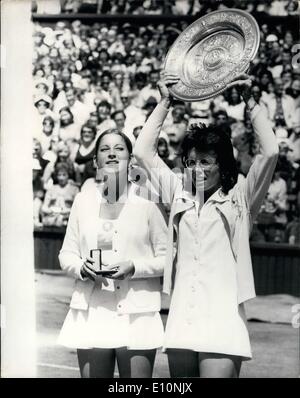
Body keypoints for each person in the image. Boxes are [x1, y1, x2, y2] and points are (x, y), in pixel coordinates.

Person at [134, 72, 279, 378]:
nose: (196, 169)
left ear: (222, 164)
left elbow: (270, 151)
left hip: (223, 318)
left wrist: (251, 103)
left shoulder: (241, 199)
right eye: (191, 161)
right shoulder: (178, 192)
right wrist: (165, 102)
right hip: (182, 316)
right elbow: (142, 152)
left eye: (206, 161)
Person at [58, 129, 168, 378]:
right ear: (95, 160)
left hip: (137, 313)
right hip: (91, 309)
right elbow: (67, 253)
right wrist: (81, 269)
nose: (111, 154)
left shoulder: (149, 201)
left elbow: (167, 257)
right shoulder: (82, 200)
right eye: (104, 149)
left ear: (131, 159)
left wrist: (134, 267)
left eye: (119, 148)